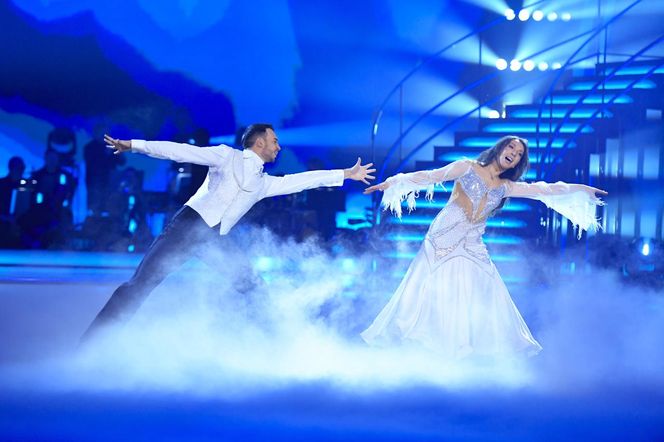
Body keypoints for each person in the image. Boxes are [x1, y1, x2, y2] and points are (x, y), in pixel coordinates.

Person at [81, 123, 375, 341]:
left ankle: (271, 344)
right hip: (186, 229)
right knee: (141, 285)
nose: (279, 147)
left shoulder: (264, 183)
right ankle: (93, 342)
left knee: (252, 285)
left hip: (213, 239)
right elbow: (182, 152)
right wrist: (134, 145)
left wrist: (345, 175)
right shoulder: (227, 157)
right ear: (259, 143)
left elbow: (302, 181)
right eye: (274, 141)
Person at [361, 135, 607, 359]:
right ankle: (429, 343)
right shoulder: (466, 166)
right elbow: (430, 176)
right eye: (511, 147)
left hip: (472, 242)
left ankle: (469, 347)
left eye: (519, 154)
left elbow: (547, 189)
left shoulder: (507, 186)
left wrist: (583, 189)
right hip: (443, 238)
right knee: (432, 290)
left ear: (517, 163)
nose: (514, 153)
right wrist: (392, 183)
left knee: (487, 288)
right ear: (500, 148)